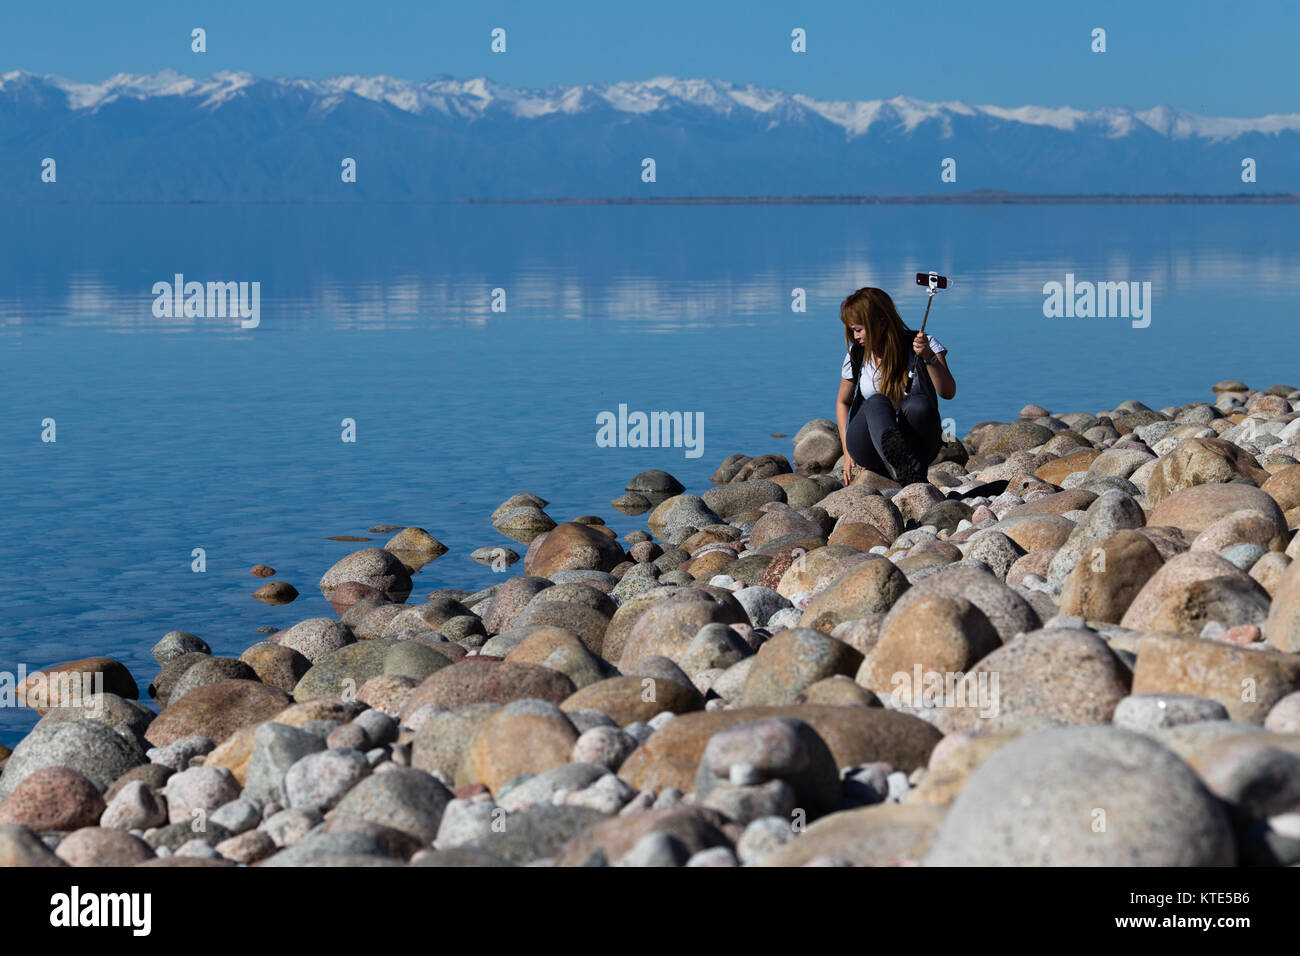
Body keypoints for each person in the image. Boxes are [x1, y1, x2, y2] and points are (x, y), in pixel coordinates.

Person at [836, 286, 957, 487]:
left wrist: (928, 357)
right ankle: (904, 470)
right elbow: (842, 401)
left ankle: (908, 470)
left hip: (918, 445)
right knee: (876, 401)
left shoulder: (923, 345)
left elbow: (948, 392)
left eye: (858, 329)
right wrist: (846, 451)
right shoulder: (856, 354)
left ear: (881, 323)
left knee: (919, 404)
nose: (855, 336)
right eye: (851, 330)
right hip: (868, 446)